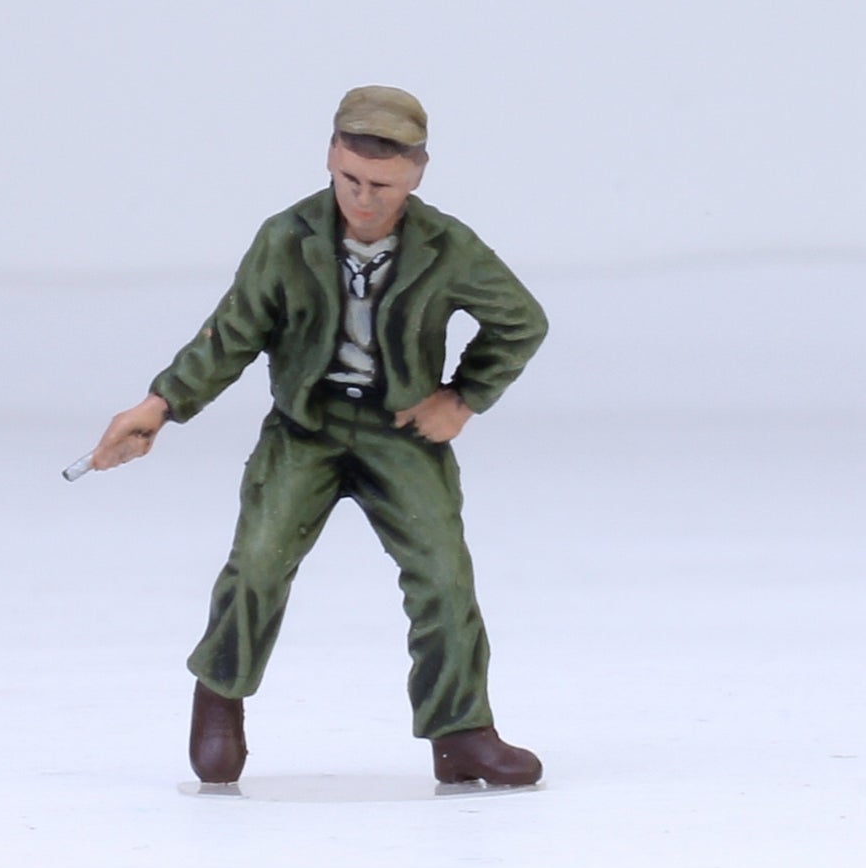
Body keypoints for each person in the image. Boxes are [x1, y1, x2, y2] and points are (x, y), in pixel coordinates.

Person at [89, 85, 548, 787]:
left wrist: (461, 397)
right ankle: (219, 700)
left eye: (383, 186)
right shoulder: (287, 237)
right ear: (331, 156)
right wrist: (162, 404)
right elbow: (233, 333)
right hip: (305, 429)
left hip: (399, 433)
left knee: (443, 573)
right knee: (258, 562)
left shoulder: (447, 246)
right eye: (350, 179)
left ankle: (461, 732)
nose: (363, 199)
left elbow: (521, 320)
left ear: (418, 173)